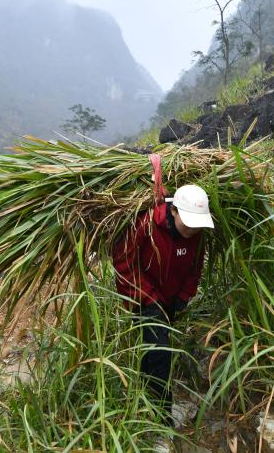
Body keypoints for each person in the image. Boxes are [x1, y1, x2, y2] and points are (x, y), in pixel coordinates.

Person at [112, 183, 213, 428]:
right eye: (188, 223)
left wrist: (184, 296)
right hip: (143, 296)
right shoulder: (146, 224)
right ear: (174, 211)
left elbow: (195, 268)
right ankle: (161, 421)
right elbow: (123, 262)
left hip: (170, 299)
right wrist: (149, 298)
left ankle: (144, 400)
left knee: (153, 349)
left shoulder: (196, 234)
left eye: (197, 224)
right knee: (161, 351)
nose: (192, 229)